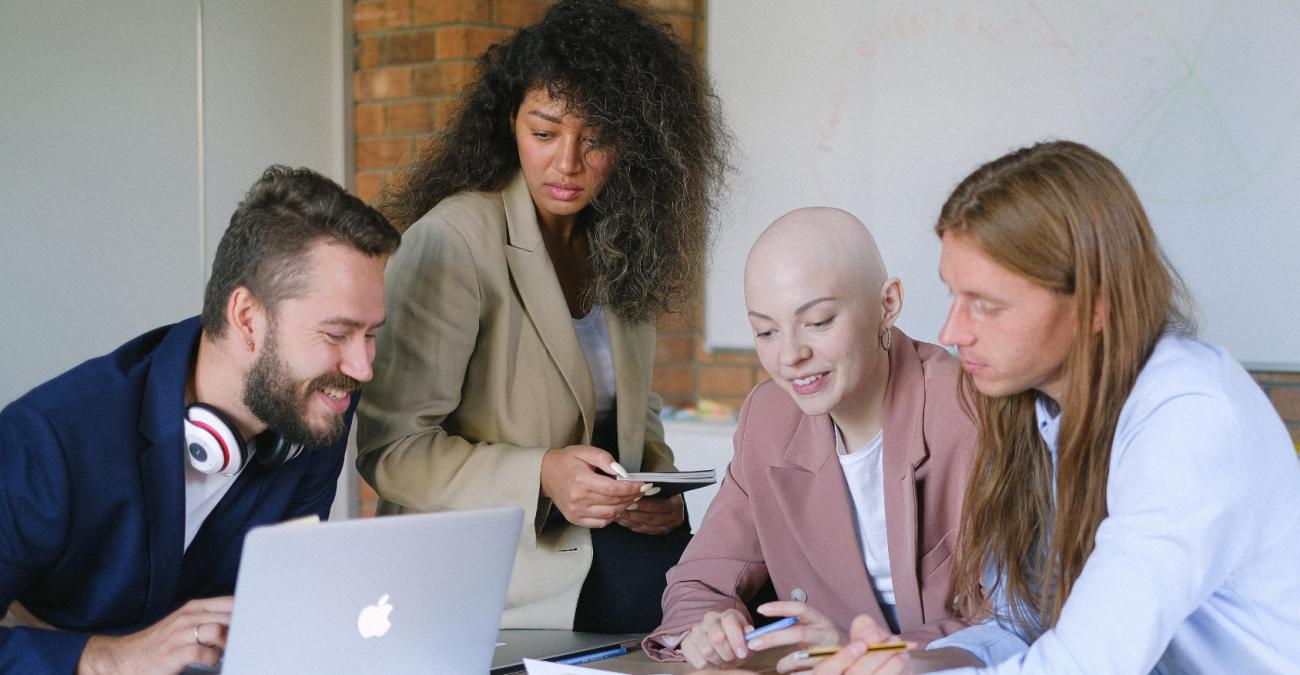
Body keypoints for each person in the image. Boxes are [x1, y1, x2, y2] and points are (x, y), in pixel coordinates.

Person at [811, 140, 1300, 674]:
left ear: (1093, 306)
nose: (952, 332)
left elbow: (1084, 664)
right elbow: (1024, 624)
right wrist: (911, 664)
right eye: (954, 296)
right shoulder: (1033, 407)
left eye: (987, 306)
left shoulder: (1191, 418)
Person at [354, 0, 729, 632]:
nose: (568, 163)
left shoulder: (623, 240)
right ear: (510, 123)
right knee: (702, 618)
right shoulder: (455, 238)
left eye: (598, 138)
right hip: (499, 564)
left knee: (748, 590)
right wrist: (543, 474)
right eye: (545, 132)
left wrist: (660, 494)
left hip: (607, 544)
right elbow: (392, 451)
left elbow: (636, 416)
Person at [0, 166, 399, 674]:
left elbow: (268, 608)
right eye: (337, 333)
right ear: (248, 318)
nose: (362, 367)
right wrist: (103, 659)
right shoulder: (49, 438)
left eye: (370, 334)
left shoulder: (319, 407)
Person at [643, 208, 974, 671]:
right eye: (766, 331)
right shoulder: (770, 418)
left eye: (818, 322)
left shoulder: (969, 410)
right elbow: (701, 579)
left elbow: (1024, 618)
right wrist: (709, 628)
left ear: (888, 303)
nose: (791, 356)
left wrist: (867, 653)